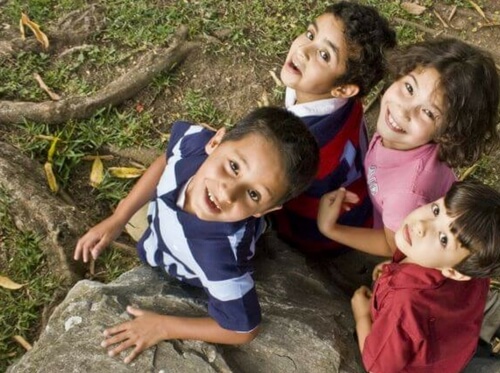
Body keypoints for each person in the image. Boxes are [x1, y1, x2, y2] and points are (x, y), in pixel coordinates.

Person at [74, 107, 319, 364]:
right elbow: (168, 158)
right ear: (215, 141)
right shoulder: (194, 143)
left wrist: (163, 327)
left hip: (182, 268)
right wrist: (119, 217)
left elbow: (243, 329)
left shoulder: (221, 258)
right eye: (234, 166)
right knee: (140, 225)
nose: (227, 194)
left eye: (254, 194)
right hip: (158, 229)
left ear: (265, 210)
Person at [317, 38, 499, 257]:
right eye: (409, 87)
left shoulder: (407, 194)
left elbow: (393, 247)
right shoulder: (403, 138)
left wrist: (331, 229)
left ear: (448, 134)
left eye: (429, 113)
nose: (404, 110)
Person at [320, 180, 500, 372]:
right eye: (437, 211)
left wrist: (362, 315)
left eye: (443, 238)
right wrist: (396, 266)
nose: (421, 225)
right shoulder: (473, 268)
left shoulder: (403, 304)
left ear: (455, 272)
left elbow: (378, 367)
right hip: (454, 350)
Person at [272, 1, 397, 253]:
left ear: (343, 89)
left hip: (311, 234)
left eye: (324, 54)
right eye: (310, 34)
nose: (303, 50)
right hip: (358, 209)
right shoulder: (346, 102)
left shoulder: (295, 142)